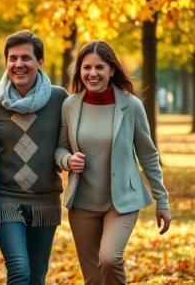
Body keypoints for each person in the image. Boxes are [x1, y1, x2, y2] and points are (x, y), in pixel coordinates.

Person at [55, 40, 171, 284]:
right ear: (79, 71)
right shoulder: (70, 105)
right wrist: (66, 160)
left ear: (112, 70)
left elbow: (148, 154)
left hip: (121, 202)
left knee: (109, 259)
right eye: (87, 67)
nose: (92, 73)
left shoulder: (131, 106)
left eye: (100, 67)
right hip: (82, 202)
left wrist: (162, 199)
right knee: (93, 277)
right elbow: (60, 147)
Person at [0, 30, 68, 285]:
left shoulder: (59, 98)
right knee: (19, 270)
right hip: (5, 198)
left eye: (26, 58)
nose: (19, 64)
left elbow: (67, 143)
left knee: (37, 277)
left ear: (40, 62)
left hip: (45, 201)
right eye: (12, 58)